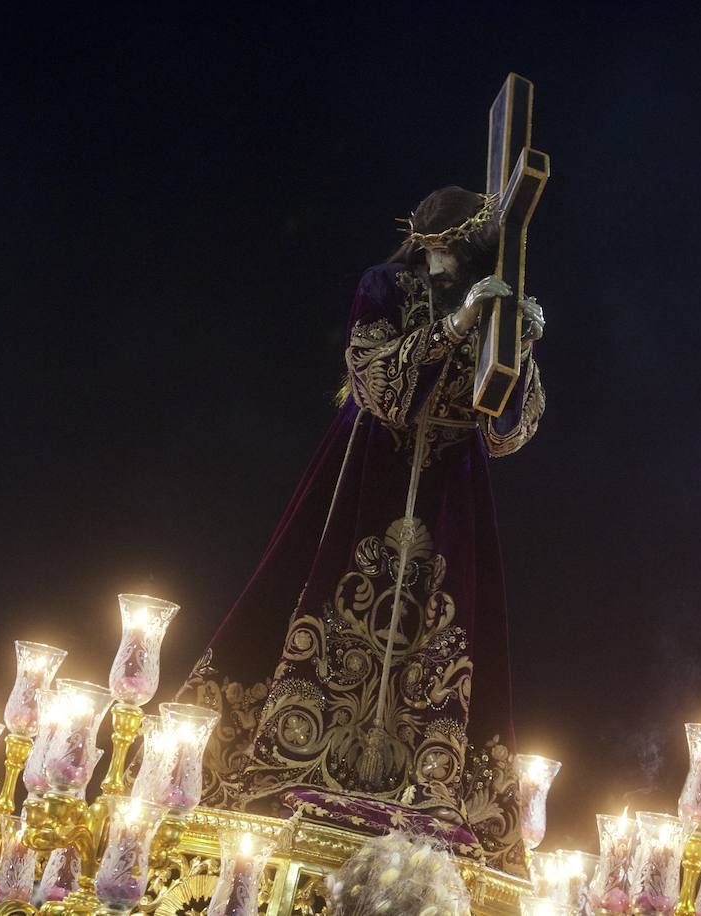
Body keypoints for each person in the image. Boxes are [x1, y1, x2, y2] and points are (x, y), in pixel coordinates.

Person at [177, 186, 545, 870]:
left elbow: (506, 430)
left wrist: (517, 341)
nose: (461, 263)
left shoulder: (494, 308)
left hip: (453, 492)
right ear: (434, 241)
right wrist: (456, 324)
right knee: (324, 599)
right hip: (370, 471)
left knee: (444, 628)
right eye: (456, 249)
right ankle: (288, 764)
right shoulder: (385, 285)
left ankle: (424, 786)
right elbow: (377, 380)